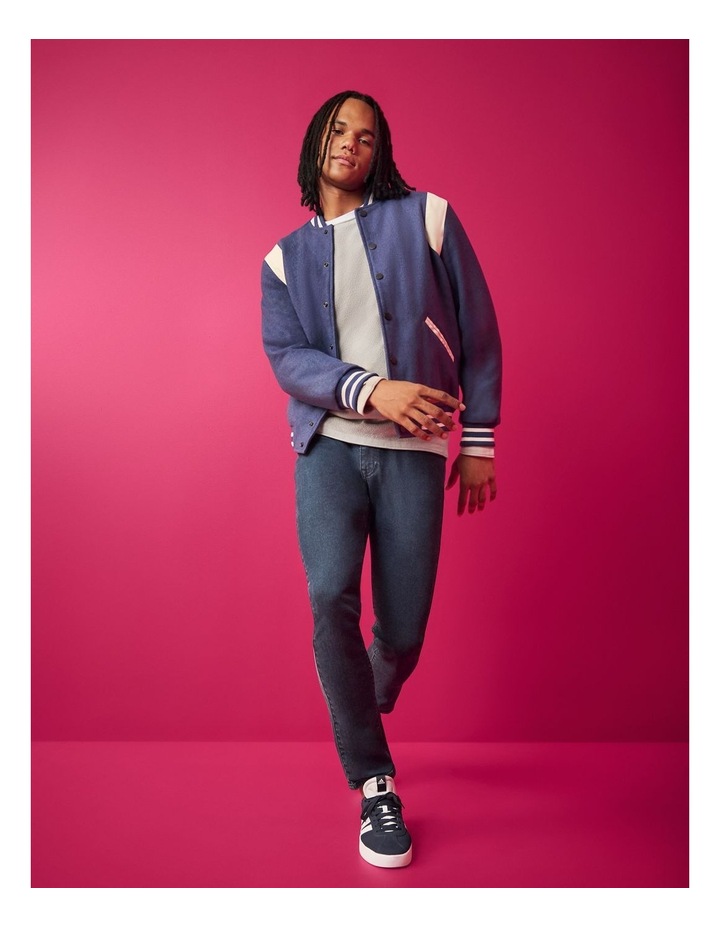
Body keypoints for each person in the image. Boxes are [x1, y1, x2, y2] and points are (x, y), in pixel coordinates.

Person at [261, 90, 501, 868]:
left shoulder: (427, 217)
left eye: (366, 136)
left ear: (380, 152)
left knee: (402, 633)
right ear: (316, 141)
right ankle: (376, 783)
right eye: (339, 129)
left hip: (414, 452)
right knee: (329, 594)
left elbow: (479, 329)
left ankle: (361, 698)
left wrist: (478, 441)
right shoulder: (281, 260)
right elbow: (289, 358)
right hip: (329, 445)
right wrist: (372, 390)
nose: (350, 143)